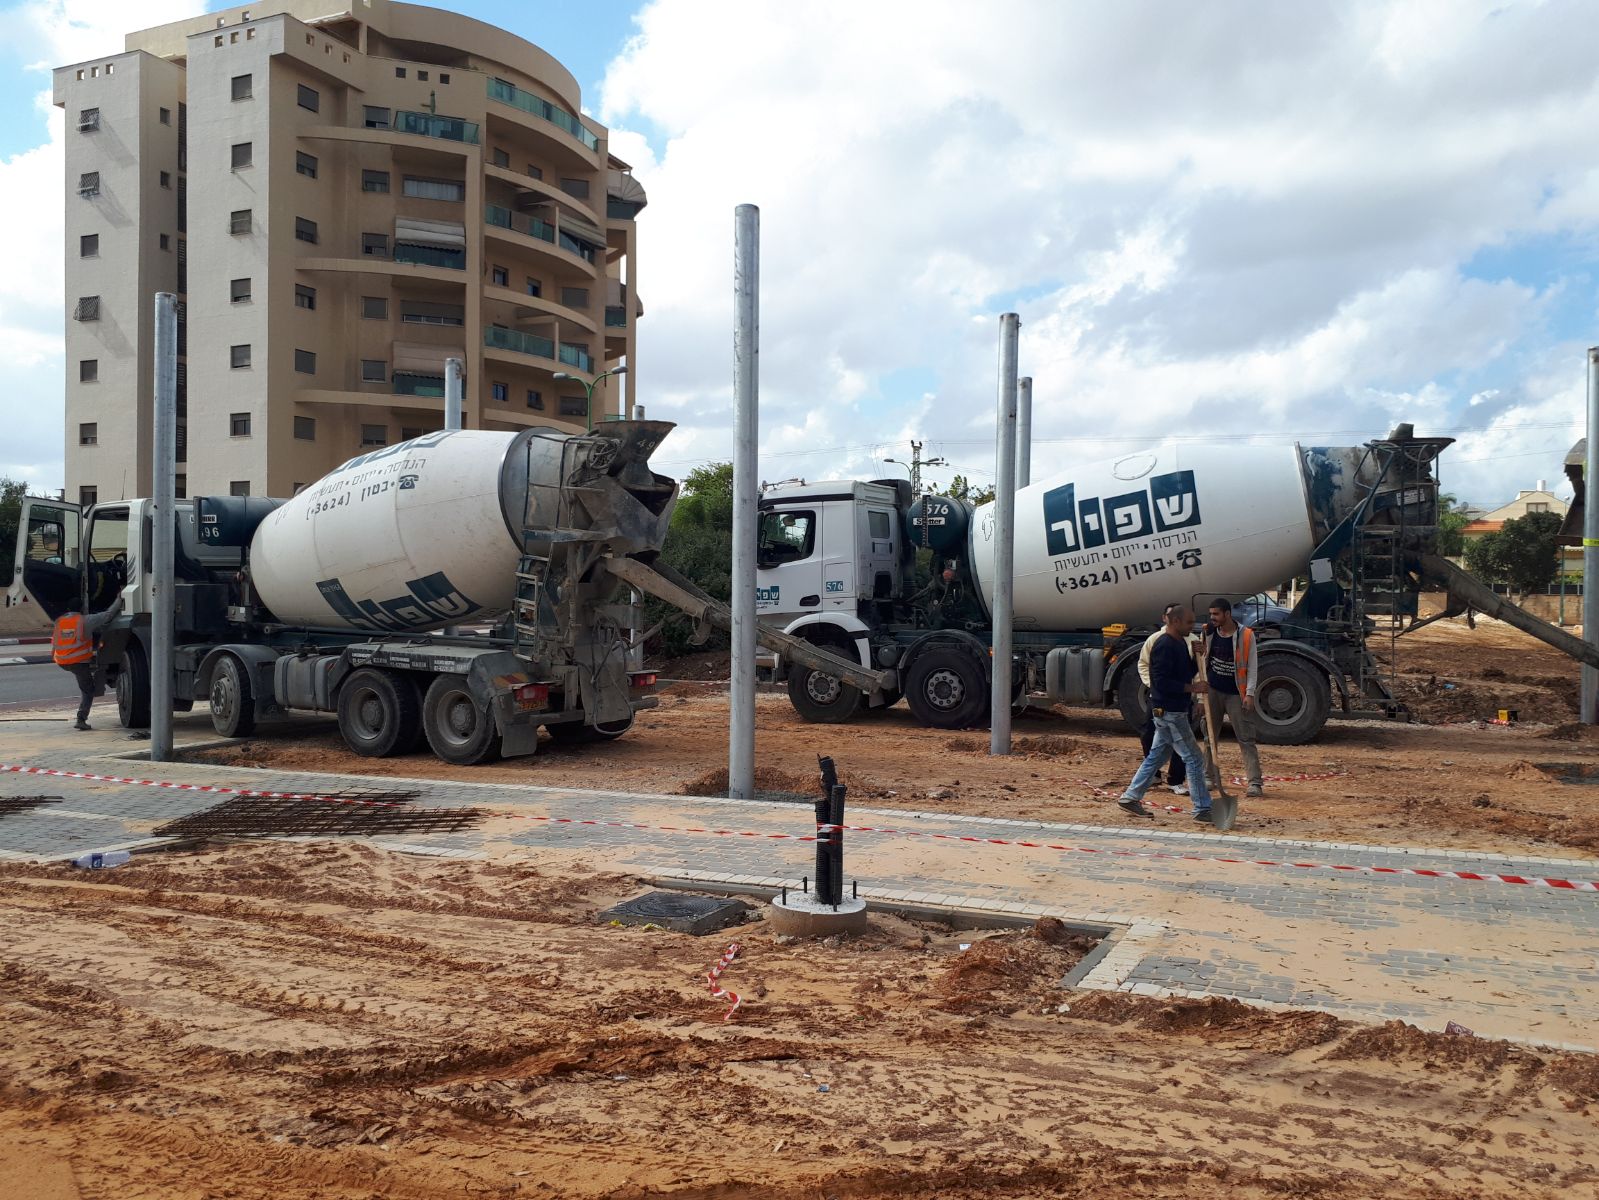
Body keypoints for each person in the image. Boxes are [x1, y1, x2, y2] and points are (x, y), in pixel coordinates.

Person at [1118, 604, 1212, 822]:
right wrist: (1193, 688)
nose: (1193, 626)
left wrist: (1197, 658)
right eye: (1189, 622)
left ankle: (1130, 797)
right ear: (1175, 621)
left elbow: (1184, 673)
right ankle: (1202, 808)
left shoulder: (1179, 643)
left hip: (1171, 710)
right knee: (1194, 759)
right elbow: (1161, 682)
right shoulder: (1163, 645)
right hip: (1170, 711)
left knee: (1157, 755)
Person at [1201, 597, 1263, 798]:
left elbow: (1252, 666)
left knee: (1246, 738)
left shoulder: (1246, 635)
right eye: (1211, 614)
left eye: (1216, 614)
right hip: (1213, 691)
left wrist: (1250, 694)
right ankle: (1208, 776)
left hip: (1236, 694)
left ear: (1227, 614)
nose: (1212, 618)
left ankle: (1254, 782)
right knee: (1210, 737)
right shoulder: (1209, 632)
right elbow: (1202, 660)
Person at [1136, 603, 1189, 795]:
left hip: (1181, 702)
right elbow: (1145, 665)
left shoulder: (1189, 641)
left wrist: (1198, 696)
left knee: (1180, 743)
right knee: (1151, 737)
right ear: (1165, 618)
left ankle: (1176, 780)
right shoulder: (1157, 640)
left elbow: (1194, 671)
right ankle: (1151, 777)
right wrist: (1154, 685)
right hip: (1159, 701)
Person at [52, 595, 124, 731]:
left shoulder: (59, 621)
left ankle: (94, 675)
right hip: (77, 662)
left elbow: (56, 642)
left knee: (87, 670)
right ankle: (81, 719)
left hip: (61, 661)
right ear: (82, 609)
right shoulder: (85, 620)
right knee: (88, 690)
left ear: (68, 609)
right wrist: (119, 598)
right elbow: (108, 615)